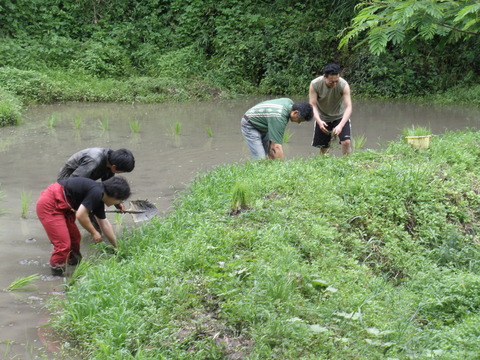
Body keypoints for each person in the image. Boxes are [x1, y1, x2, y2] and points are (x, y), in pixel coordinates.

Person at [36, 176, 131, 276]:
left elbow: (104, 224)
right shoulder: (96, 193)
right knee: (63, 245)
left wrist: (117, 247)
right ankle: (57, 275)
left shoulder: (100, 197)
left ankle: (74, 266)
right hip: (51, 203)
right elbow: (81, 215)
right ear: (114, 195)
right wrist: (94, 232)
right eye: (119, 200)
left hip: (65, 208)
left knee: (75, 239)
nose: (118, 203)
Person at [241, 98, 313, 160]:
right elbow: (277, 146)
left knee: (269, 154)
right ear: (295, 112)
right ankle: (257, 172)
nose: (298, 122)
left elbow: (273, 145)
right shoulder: (279, 118)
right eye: (299, 120)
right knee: (260, 158)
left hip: (264, 124)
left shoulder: (289, 102)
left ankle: (268, 172)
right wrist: (282, 168)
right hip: (250, 124)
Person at [309, 63, 353, 155]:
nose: (334, 84)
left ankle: (347, 164)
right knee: (324, 147)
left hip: (340, 116)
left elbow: (348, 107)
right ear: (324, 76)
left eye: (336, 81)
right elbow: (312, 105)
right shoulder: (315, 84)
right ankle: (324, 166)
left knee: (346, 142)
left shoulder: (343, 84)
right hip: (322, 118)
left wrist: (340, 125)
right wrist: (319, 121)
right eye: (331, 82)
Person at [57, 147, 135, 182]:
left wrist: (117, 203)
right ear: (114, 167)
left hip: (83, 180)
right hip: (66, 181)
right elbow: (74, 181)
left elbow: (107, 185)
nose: (120, 173)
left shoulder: (111, 161)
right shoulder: (94, 160)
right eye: (122, 171)